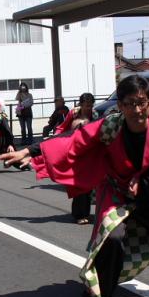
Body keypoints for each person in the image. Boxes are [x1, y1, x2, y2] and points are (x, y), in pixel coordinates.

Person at [0, 75, 149, 297]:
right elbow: (72, 140)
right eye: (130, 103)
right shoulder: (110, 126)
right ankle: (96, 293)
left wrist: (143, 184)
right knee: (111, 240)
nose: (137, 110)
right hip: (115, 192)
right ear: (120, 106)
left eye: (141, 102)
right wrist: (30, 150)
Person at [55, 93, 99, 224]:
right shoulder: (73, 114)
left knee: (88, 185)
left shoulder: (95, 115)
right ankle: (78, 214)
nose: (88, 108)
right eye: (86, 106)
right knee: (78, 185)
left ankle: (85, 213)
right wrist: (55, 140)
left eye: (90, 106)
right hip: (74, 153)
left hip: (89, 154)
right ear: (81, 104)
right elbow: (61, 128)